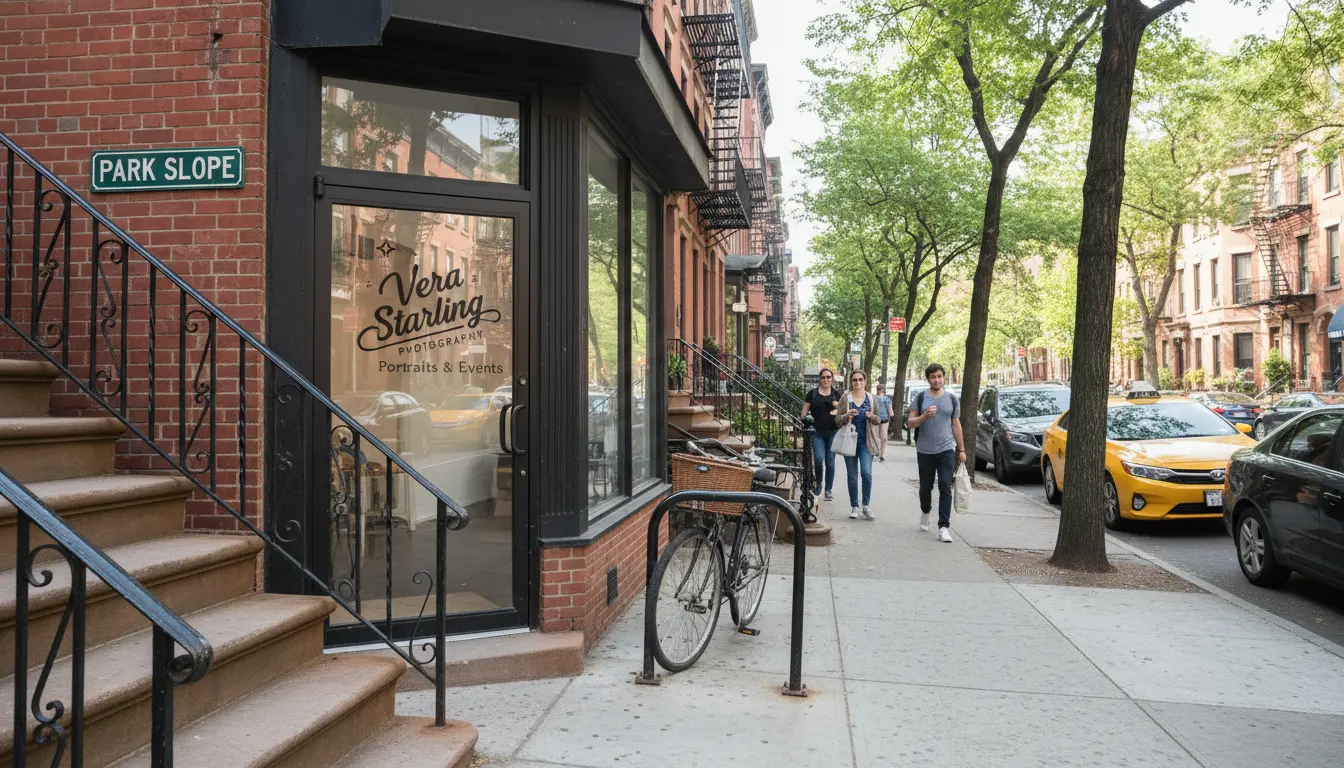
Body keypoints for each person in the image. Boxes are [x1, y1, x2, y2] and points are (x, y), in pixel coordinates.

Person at [907, 363, 966, 543]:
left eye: (939, 376)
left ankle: (943, 527)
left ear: (944, 377)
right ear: (928, 379)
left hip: (946, 449)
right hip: (925, 450)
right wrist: (924, 416)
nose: (937, 380)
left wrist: (961, 449)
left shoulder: (951, 399)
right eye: (933, 377)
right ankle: (925, 511)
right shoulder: (920, 398)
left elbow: (956, 424)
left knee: (945, 486)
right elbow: (910, 423)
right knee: (926, 487)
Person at [834, 370, 882, 520]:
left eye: (860, 379)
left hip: (866, 442)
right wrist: (847, 415)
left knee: (866, 473)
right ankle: (854, 506)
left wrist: (872, 416)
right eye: (855, 380)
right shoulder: (845, 399)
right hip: (850, 441)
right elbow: (837, 420)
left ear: (865, 381)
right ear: (852, 382)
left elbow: (879, 419)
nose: (858, 382)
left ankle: (866, 506)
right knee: (852, 475)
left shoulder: (872, 399)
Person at [800, 368, 842, 501]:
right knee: (818, 459)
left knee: (830, 462)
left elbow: (843, 412)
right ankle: (819, 484)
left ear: (832, 379)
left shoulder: (837, 395)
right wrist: (804, 418)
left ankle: (828, 490)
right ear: (820, 379)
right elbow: (803, 412)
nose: (826, 380)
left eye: (828, 377)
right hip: (817, 432)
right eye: (823, 377)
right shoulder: (812, 394)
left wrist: (839, 408)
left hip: (832, 432)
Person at [874, 384, 893, 461]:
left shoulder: (887, 399)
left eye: (882, 389)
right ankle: (877, 452)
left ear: (884, 390)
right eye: (879, 389)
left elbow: (890, 409)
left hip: (884, 420)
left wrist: (890, 415)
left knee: (883, 437)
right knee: (876, 436)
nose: (880, 390)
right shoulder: (873, 398)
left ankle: (881, 454)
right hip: (875, 419)